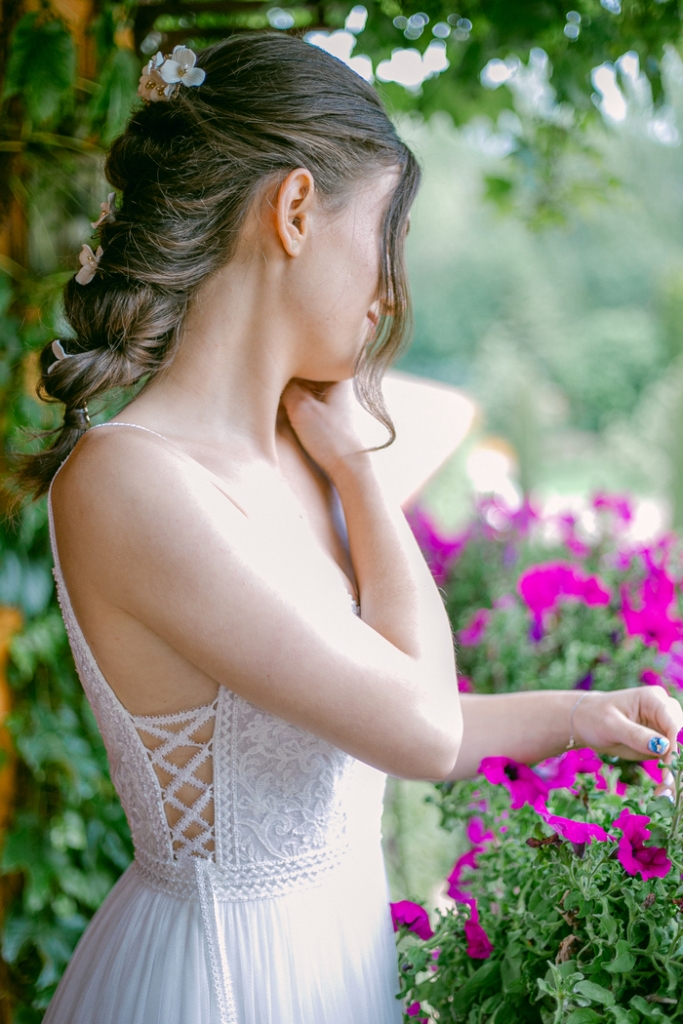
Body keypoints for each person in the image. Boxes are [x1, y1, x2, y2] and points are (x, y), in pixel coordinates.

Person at [16, 32, 682, 1024]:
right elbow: (418, 727)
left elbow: (393, 713)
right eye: (382, 234)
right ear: (293, 211)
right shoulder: (127, 480)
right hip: (222, 981)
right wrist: (364, 480)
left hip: (334, 956)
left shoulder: (291, 454)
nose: (384, 290)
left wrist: (580, 717)